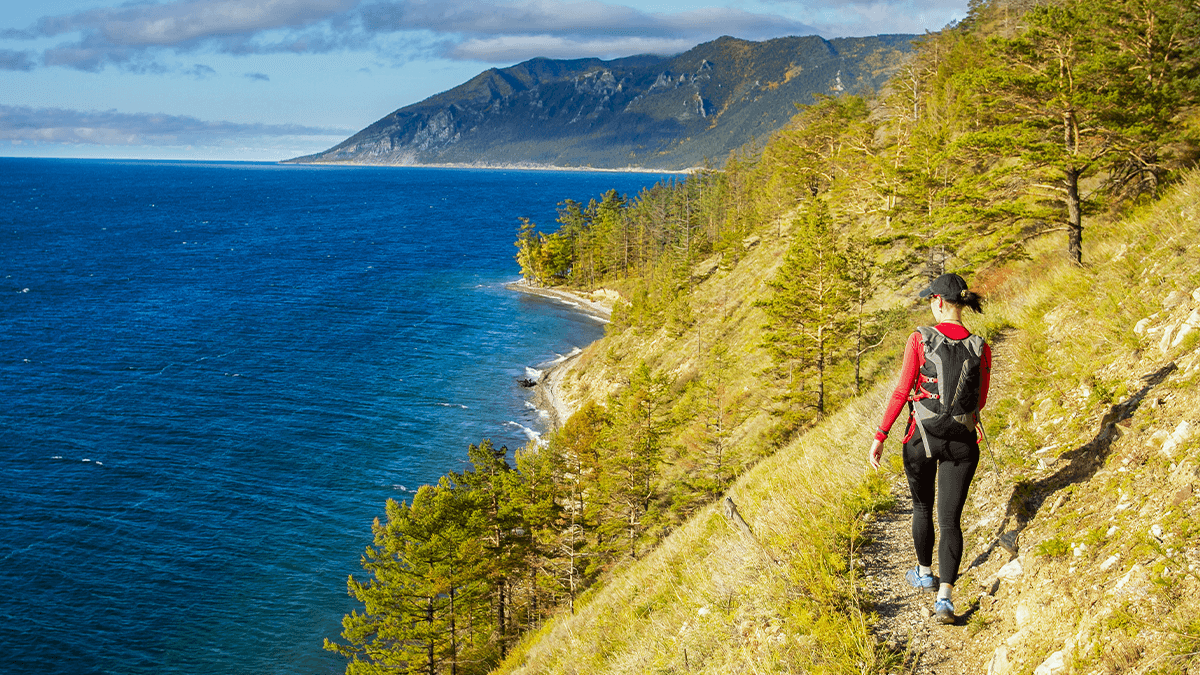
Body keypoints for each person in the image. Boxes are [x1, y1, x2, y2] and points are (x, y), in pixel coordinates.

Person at [868, 273, 991, 625]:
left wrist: (880, 435)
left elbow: (901, 392)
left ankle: (924, 573)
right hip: (963, 444)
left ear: (939, 302)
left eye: (930, 300)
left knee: (922, 506)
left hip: (920, 439)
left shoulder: (920, 338)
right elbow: (979, 400)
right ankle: (945, 600)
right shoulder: (981, 346)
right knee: (950, 519)